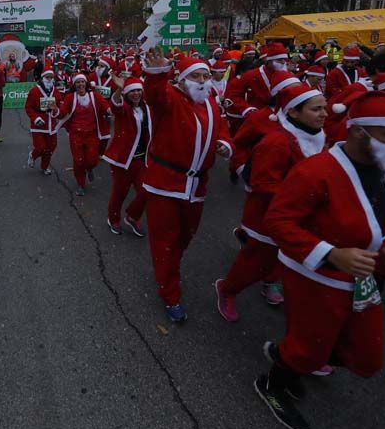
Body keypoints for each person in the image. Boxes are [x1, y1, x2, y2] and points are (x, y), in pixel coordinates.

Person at [256, 92, 385, 429]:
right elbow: (278, 222)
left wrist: (382, 244)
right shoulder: (316, 172)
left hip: (362, 275)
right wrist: (330, 252)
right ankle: (274, 381)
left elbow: (373, 212)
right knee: (310, 347)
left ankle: (290, 356)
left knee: (367, 354)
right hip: (317, 276)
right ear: (359, 132)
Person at [215, 82, 327, 322]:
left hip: (298, 216)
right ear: (294, 112)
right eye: (316, 109)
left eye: (324, 108)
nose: (324, 114)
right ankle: (227, 288)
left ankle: (270, 281)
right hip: (266, 215)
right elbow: (263, 183)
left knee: (282, 256)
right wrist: (302, 199)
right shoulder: (277, 142)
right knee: (256, 261)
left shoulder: (317, 136)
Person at [139, 49, 233, 323]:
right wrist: (156, 73)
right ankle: (170, 293)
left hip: (196, 187)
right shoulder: (170, 98)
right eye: (196, 75)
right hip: (165, 185)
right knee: (166, 242)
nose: (202, 80)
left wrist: (225, 145)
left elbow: (223, 128)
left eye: (205, 75)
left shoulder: (210, 103)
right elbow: (154, 94)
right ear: (181, 79)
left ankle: (168, 269)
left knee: (185, 237)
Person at [102, 75, 151, 236]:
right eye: (132, 91)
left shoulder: (147, 108)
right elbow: (115, 105)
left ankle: (132, 216)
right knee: (119, 193)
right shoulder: (124, 109)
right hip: (123, 160)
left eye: (138, 90)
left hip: (142, 159)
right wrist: (120, 90)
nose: (136, 93)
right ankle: (113, 218)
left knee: (146, 192)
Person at [56, 74, 111, 196]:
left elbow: (104, 105)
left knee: (93, 160)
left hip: (92, 133)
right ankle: (80, 184)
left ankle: (89, 168)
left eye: (82, 82)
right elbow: (62, 112)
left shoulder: (94, 96)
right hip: (76, 134)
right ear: (74, 85)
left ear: (86, 83)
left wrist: (109, 110)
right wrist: (55, 110)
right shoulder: (70, 97)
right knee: (78, 160)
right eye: (78, 83)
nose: (80, 84)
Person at [25, 64, 62, 175]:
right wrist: (36, 118)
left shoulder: (56, 91)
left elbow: (60, 105)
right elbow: (28, 107)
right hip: (39, 125)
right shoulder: (35, 91)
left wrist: (56, 110)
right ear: (42, 78)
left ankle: (44, 167)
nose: (50, 79)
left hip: (52, 124)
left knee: (51, 148)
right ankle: (33, 155)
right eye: (47, 77)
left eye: (51, 77)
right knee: (41, 147)